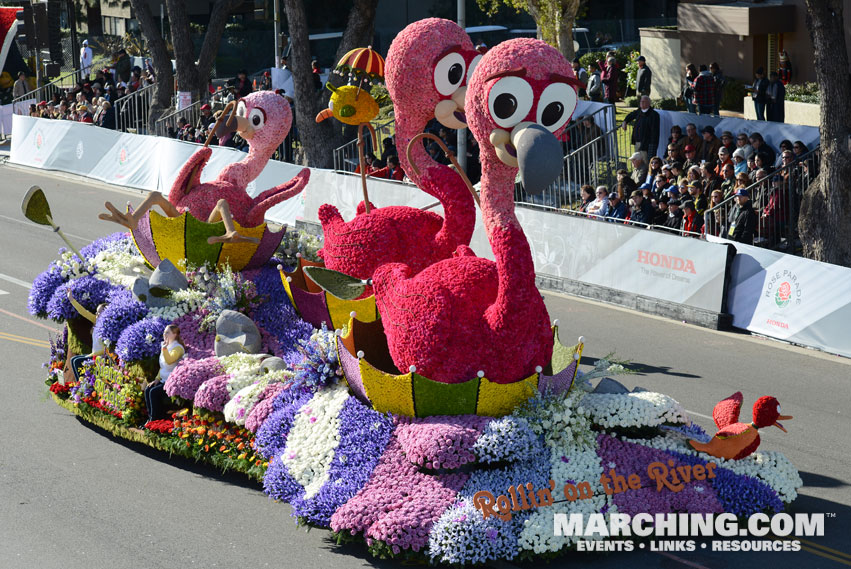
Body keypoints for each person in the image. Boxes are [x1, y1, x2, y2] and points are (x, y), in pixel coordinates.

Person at [143, 324, 185, 425]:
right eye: (164, 332)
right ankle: (150, 418)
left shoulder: (178, 348)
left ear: (174, 334)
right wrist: (157, 379)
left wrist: (165, 349)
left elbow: (170, 361)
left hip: (172, 382)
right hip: (163, 379)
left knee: (154, 392)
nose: (164, 334)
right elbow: (163, 366)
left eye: (167, 332)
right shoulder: (166, 346)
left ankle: (155, 420)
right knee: (148, 389)